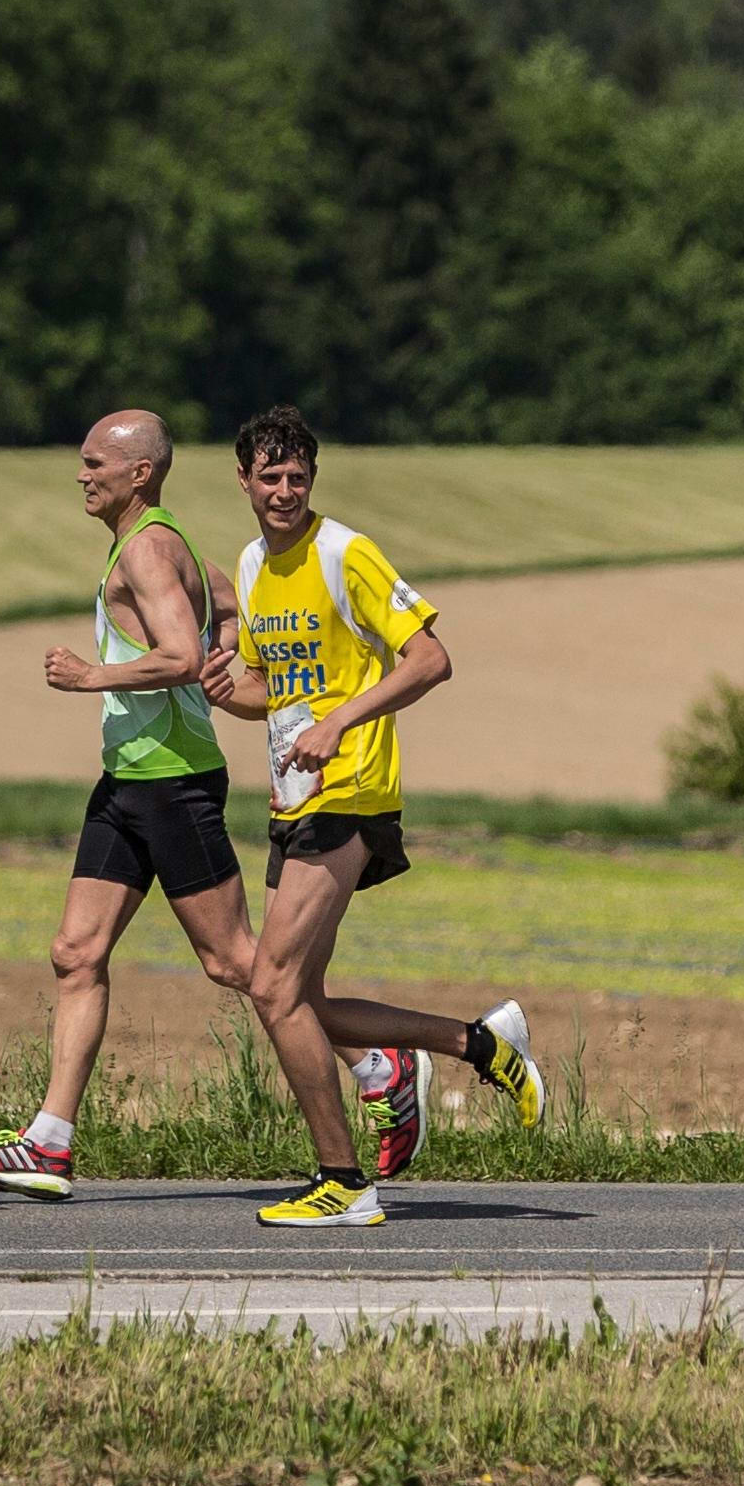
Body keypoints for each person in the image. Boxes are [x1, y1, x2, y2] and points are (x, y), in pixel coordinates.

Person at [201, 403, 545, 1226]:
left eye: (298, 477)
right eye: (271, 476)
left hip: (352, 791)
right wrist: (228, 692)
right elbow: (268, 689)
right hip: (295, 798)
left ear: (312, 480)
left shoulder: (342, 552)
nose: (285, 491)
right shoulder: (251, 564)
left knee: (272, 986)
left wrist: (340, 722)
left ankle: (344, 1184)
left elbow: (431, 658)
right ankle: (482, 1045)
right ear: (244, 480)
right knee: (301, 997)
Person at [0, 405, 259, 1198]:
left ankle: (378, 1063)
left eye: (96, 463)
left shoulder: (151, 548)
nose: (82, 474)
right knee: (75, 952)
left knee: (234, 963)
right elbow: (222, 608)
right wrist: (225, 644)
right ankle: (49, 1143)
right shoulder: (165, 543)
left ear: (140, 473)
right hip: (129, 779)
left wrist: (95, 676)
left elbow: (181, 654)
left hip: (173, 781)